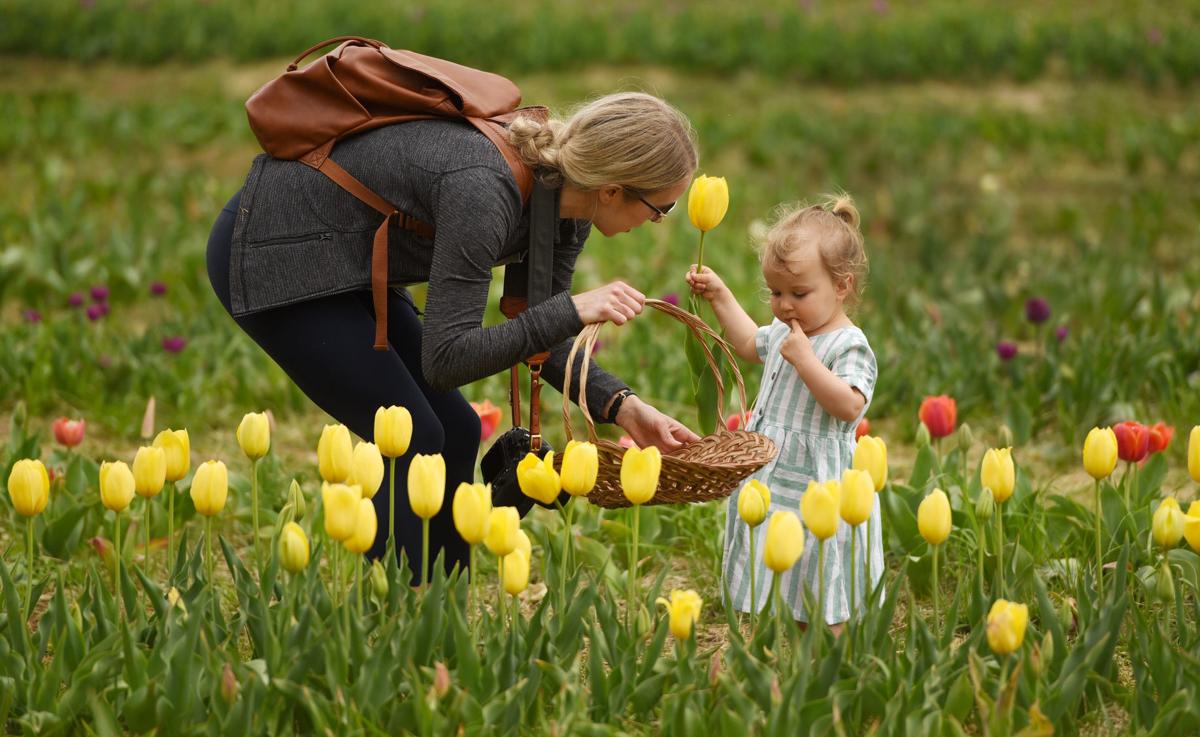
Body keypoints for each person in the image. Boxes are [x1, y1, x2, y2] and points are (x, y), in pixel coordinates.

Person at [207, 91, 701, 583]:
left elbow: (536, 327)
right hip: (274, 252)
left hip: (349, 260)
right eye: (662, 208)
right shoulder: (483, 190)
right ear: (612, 189)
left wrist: (623, 407)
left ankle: (440, 611)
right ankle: (395, 613)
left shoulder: (569, 205)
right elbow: (445, 360)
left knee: (459, 429)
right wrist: (569, 311)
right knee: (412, 435)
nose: (658, 221)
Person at [686, 194, 880, 626]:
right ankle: (773, 634)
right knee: (770, 551)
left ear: (842, 285)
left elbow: (850, 406)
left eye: (799, 293)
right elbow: (748, 343)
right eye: (775, 292)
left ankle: (828, 644)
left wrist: (808, 361)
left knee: (817, 555)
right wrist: (720, 296)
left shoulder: (847, 344)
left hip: (818, 480)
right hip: (772, 468)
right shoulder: (784, 331)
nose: (785, 304)